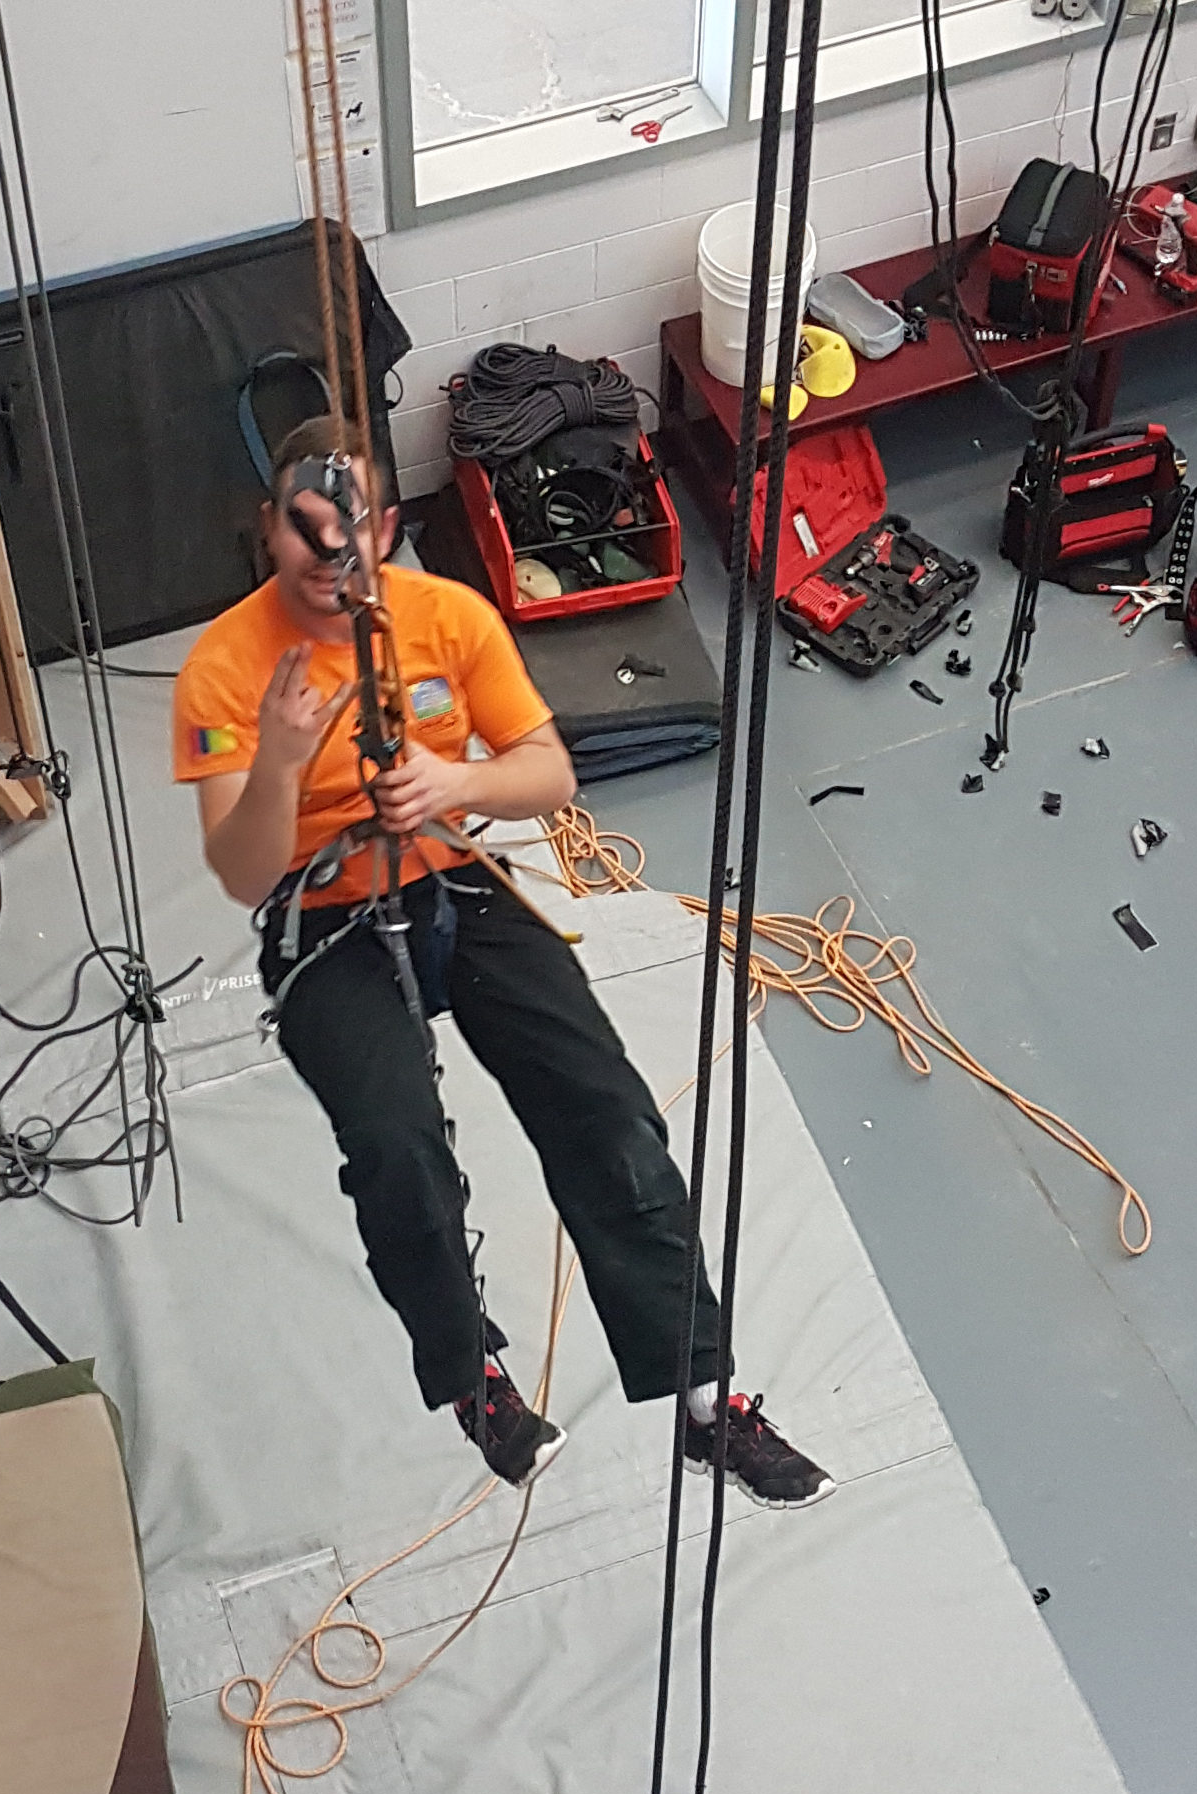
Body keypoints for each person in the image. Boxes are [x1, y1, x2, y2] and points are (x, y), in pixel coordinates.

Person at [173, 417, 831, 1506]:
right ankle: (470, 1374)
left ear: (385, 528)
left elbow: (548, 774)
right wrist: (283, 764)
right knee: (395, 1146)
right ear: (268, 532)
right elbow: (242, 870)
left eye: (351, 541)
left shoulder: (445, 618)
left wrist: (453, 785)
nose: (330, 567)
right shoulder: (222, 667)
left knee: (604, 1109)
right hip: (324, 918)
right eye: (304, 539)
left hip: (451, 879)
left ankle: (706, 1401)